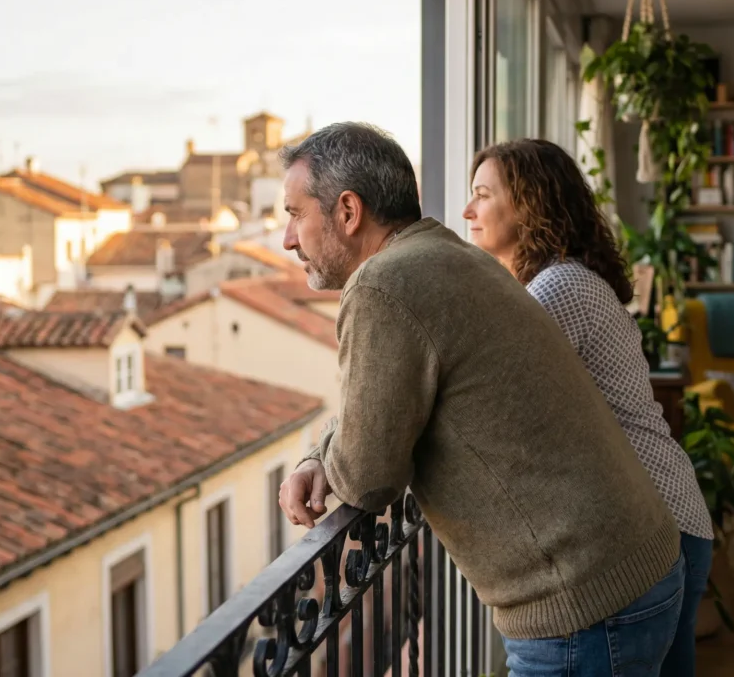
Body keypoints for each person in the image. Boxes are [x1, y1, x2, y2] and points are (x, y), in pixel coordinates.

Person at [277, 122, 684, 677]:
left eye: (295, 214)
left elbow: (368, 478)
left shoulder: (382, 286)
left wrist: (326, 459)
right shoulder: (448, 254)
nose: (288, 239)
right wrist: (319, 454)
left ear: (348, 211)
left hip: (586, 606)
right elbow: (382, 404)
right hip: (633, 567)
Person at [463, 137, 715, 675]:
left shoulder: (559, 288)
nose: (467, 211)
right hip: (668, 515)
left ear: (529, 203)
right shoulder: (561, 280)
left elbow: (486, 390)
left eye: (483, 195)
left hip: (660, 520)